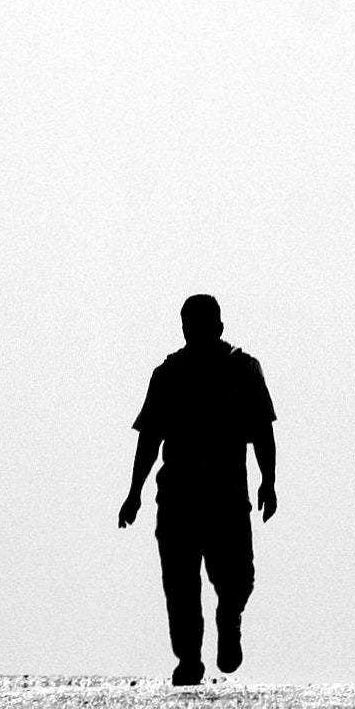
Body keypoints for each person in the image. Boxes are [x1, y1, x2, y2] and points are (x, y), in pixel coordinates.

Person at [118, 294, 277, 686]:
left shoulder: (243, 370)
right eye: (193, 326)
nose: (199, 333)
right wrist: (134, 492)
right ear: (185, 329)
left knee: (237, 579)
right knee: (181, 584)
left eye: (205, 326)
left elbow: (262, 431)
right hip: (178, 500)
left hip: (226, 498)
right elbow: (150, 438)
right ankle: (189, 658)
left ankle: (229, 617)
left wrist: (269, 482)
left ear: (219, 328)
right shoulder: (168, 375)